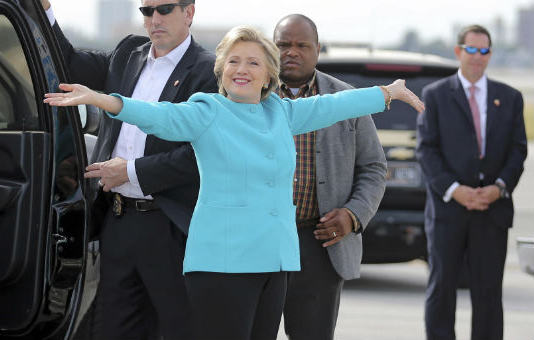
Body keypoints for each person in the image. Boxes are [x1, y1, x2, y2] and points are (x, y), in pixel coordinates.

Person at [45, 25, 423, 340]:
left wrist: (387, 93)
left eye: (253, 62)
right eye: (234, 61)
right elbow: (156, 114)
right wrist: (100, 99)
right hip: (223, 265)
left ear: (268, 74)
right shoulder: (208, 111)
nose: (242, 69)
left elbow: (332, 106)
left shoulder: (280, 111)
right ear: (222, 69)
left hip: (274, 261)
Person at [39, 0, 218, 338]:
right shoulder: (128, 53)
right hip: (119, 221)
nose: (154, 19)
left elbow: (201, 155)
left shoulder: (209, 71)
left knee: (183, 330)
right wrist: (45, 10)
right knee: (118, 330)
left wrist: (132, 172)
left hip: (171, 226)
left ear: (189, 12)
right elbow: (68, 62)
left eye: (164, 9)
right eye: (146, 11)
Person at [273, 14, 387, 340]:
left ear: (318, 49)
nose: (291, 52)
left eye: (301, 45)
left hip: (320, 244)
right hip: (259, 241)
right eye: (283, 44)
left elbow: (374, 168)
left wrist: (353, 215)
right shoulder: (250, 96)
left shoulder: (348, 101)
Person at [416, 24, 527, 340]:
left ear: (490, 54)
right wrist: (455, 190)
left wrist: (499, 187)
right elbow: (426, 149)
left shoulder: (510, 98)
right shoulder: (435, 95)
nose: (477, 57)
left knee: (489, 293)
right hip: (449, 210)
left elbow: (518, 150)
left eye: (484, 51)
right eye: (471, 50)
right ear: (458, 52)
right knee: (442, 289)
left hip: (492, 211)